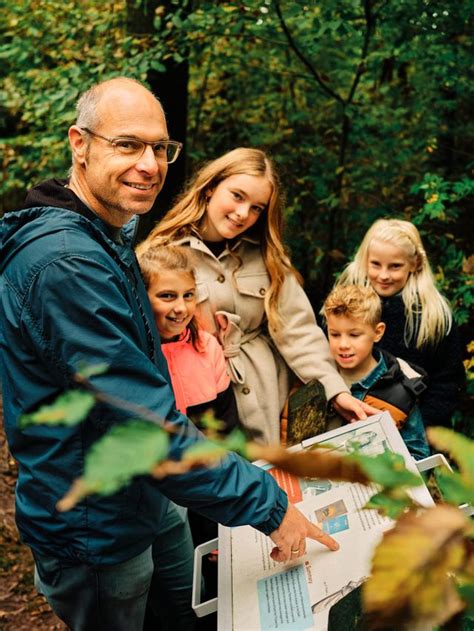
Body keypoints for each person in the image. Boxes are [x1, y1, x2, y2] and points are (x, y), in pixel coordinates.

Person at [0, 77, 339, 631]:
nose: (150, 163)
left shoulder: (106, 238)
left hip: (149, 497)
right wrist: (270, 508)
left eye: (160, 148)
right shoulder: (67, 265)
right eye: (127, 144)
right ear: (78, 144)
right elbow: (143, 425)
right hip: (97, 522)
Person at [136, 148, 377, 445]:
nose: (243, 214)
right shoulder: (162, 254)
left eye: (257, 208)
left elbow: (298, 331)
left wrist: (334, 390)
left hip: (267, 396)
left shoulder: (267, 257)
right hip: (201, 396)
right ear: (210, 188)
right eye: (237, 196)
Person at [337, 218, 465, 428]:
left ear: (414, 264)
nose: (384, 275)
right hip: (346, 423)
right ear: (365, 260)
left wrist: (418, 429)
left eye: (395, 266)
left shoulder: (433, 315)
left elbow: (447, 382)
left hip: (413, 430)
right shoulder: (343, 303)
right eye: (376, 264)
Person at [137, 244, 239, 434]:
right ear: (142, 296)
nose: (181, 308)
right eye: (167, 296)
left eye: (189, 295)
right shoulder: (133, 352)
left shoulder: (208, 347)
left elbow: (227, 425)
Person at [322, 285, 430, 460]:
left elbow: (417, 453)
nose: (343, 344)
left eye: (354, 335)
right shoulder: (317, 374)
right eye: (335, 334)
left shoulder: (400, 390)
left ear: (378, 332)